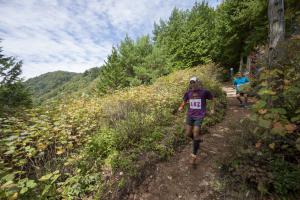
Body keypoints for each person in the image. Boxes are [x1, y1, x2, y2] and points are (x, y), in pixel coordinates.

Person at [178, 77, 215, 165]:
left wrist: (212, 109)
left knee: (195, 132)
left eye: (194, 82)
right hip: (190, 115)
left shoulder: (204, 92)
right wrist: (181, 106)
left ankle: (194, 155)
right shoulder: (188, 93)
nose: (192, 84)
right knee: (187, 134)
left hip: (199, 116)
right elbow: (185, 101)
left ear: (198, 83)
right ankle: (197, 140)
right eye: (191, 83)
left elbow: (213, 99)